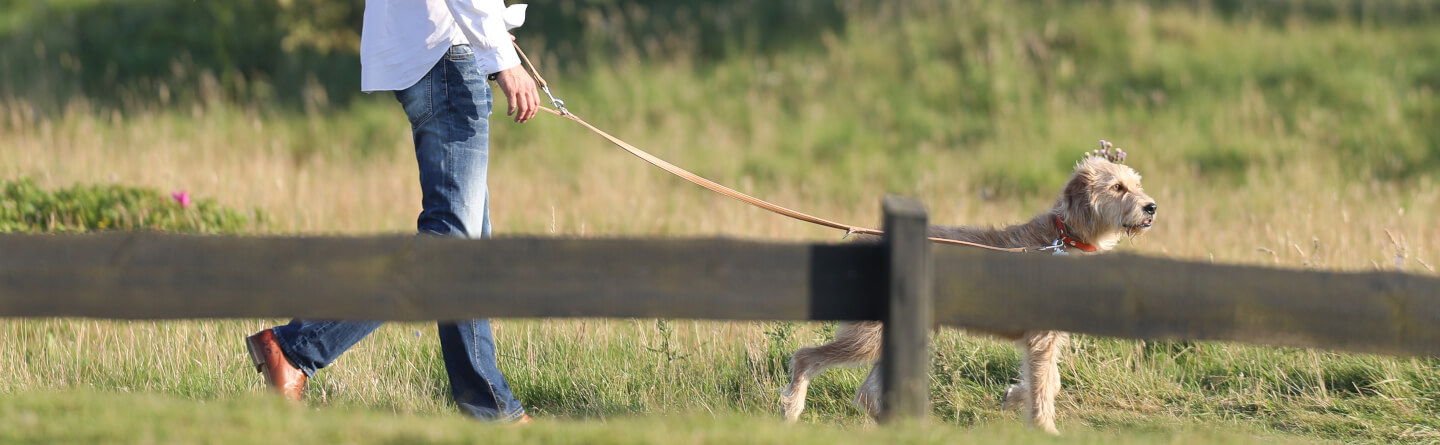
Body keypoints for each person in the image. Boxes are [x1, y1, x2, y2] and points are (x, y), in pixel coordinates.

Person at [245, 0, 540, 423]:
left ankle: (492, 412)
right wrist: (501, 56)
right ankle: (296, 348)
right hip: (447, 58)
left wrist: (490, 36)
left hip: (440, 52)